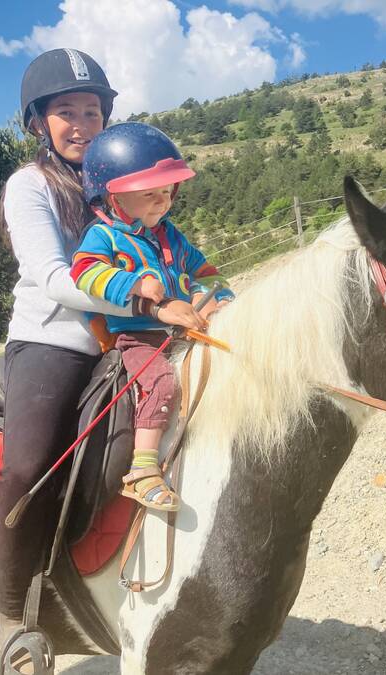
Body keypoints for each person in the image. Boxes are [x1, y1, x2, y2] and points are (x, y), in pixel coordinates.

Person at [0, 48, 144, 659]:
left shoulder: (118, 182)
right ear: (38, 123)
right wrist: (141, 297)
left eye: (92, 110)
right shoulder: (29, 186)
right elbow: (53, 277)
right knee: (26, 467)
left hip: (131, 332)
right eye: (66, 112)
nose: (82, 123)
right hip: (54, 338)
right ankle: (9, 616)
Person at [71, 121, 234, 511]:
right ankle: (142, 471)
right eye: (149, 194)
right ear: (113, 199)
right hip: (138, 335)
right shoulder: (104, 236)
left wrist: (213, 297)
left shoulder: (171, 235)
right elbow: (83, 272)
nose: (162, 202)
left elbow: (204, 271)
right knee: (161, 382)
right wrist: (133, 285)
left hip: (181, 330)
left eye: (166, 192)